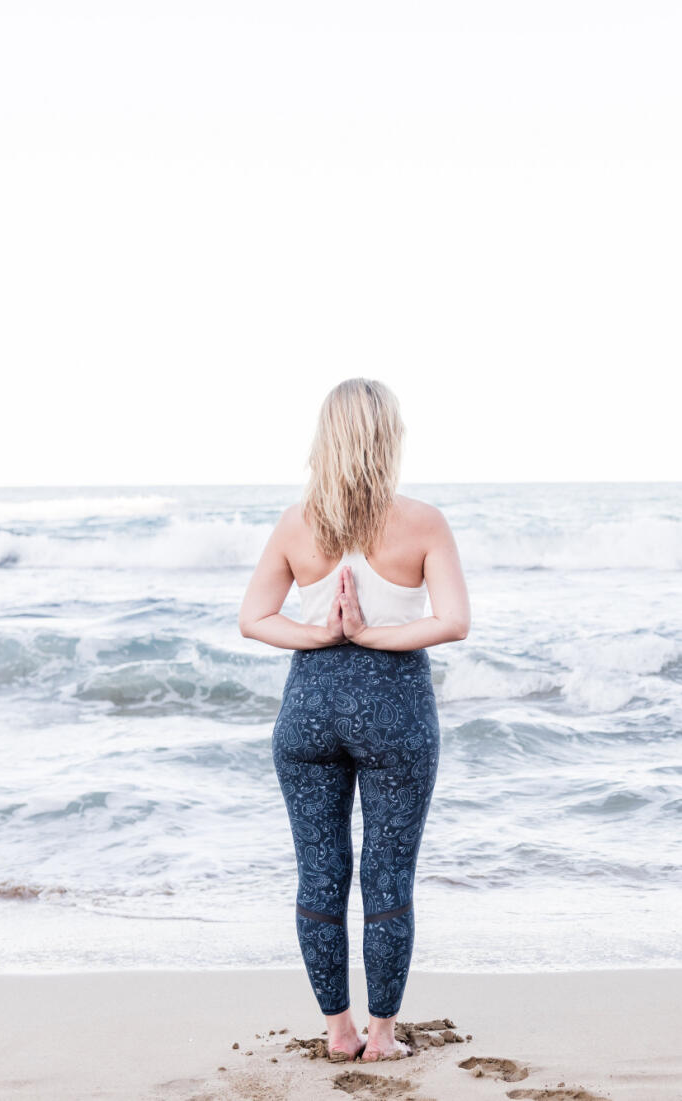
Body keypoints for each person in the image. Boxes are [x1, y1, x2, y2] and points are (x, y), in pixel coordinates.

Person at [238, 378, 470, 1062]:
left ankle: (336, 1031)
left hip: (307, 710)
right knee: (387, 874)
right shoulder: (422, 521)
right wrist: (368, 634)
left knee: (319, 872)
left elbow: (253, 619)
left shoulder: (295, 522)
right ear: (388, 439)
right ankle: (381, 1036)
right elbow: (453, 621)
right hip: (394, 709)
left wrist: (323, 636)